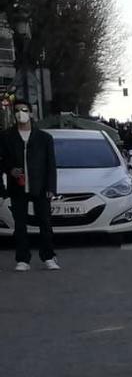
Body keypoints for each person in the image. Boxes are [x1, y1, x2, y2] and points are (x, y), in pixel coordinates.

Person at [4, 102, 58, 272]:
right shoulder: (6, 137)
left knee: (45, 223)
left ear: (31, 114)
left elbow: (51, 164)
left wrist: (51, 187)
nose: (21, 114)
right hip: (17, 187)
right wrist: (10, 169)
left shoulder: (44, 138)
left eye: (24, 110)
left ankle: (48, 257)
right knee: (20, 225)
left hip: (40, 186)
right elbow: (2, 160)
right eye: (17, 111)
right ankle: (22, 259)